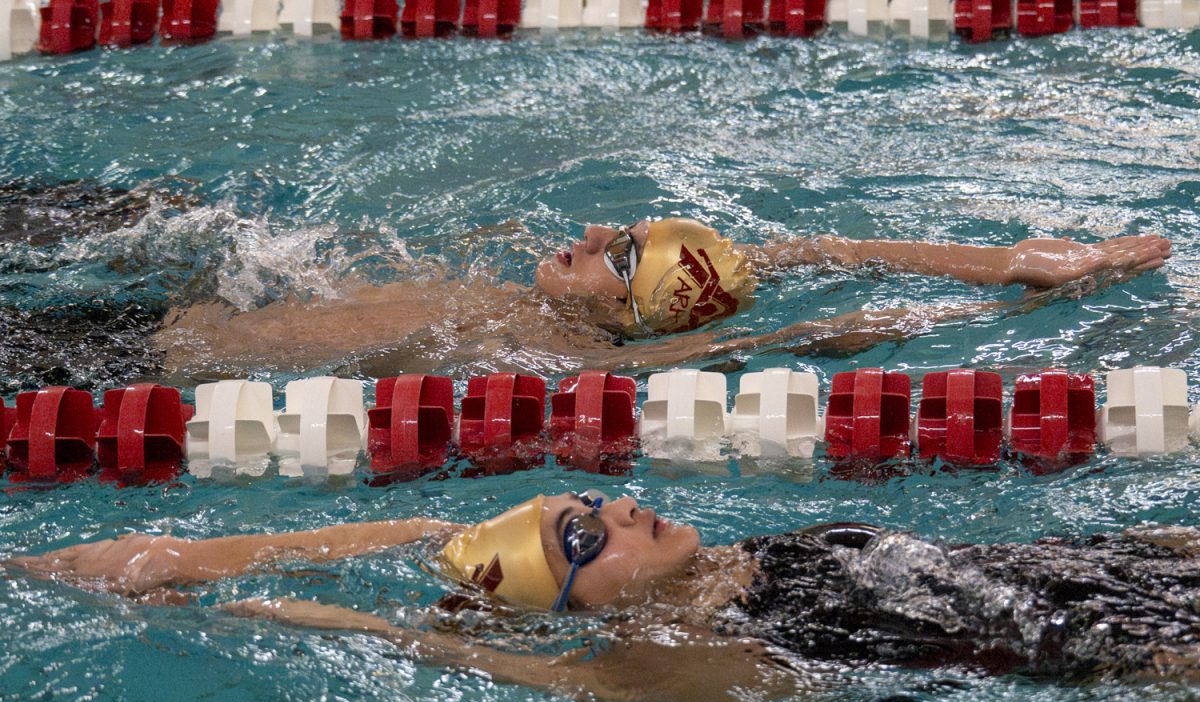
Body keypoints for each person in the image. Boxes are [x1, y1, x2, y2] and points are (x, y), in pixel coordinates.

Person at [10, 491, 1200, 702]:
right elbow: (474, 649)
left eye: (596, 500)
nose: (625, 510)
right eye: (590, 537)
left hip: (1113, 569)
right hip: (1141, 652)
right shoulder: (672, 654)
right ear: (573, 598)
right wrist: (281, 608)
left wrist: (203, 550)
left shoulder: (737, 555)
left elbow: (442, 544)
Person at [156, 218, 1172, 381]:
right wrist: (1006, 256)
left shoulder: (577, 358)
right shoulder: (534, 294)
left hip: (139, 365)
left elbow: (818, 327)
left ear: (634, 314)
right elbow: (815, 251)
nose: (594, 234)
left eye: (622, 253)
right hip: (184, 299)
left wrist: (1005, 305)